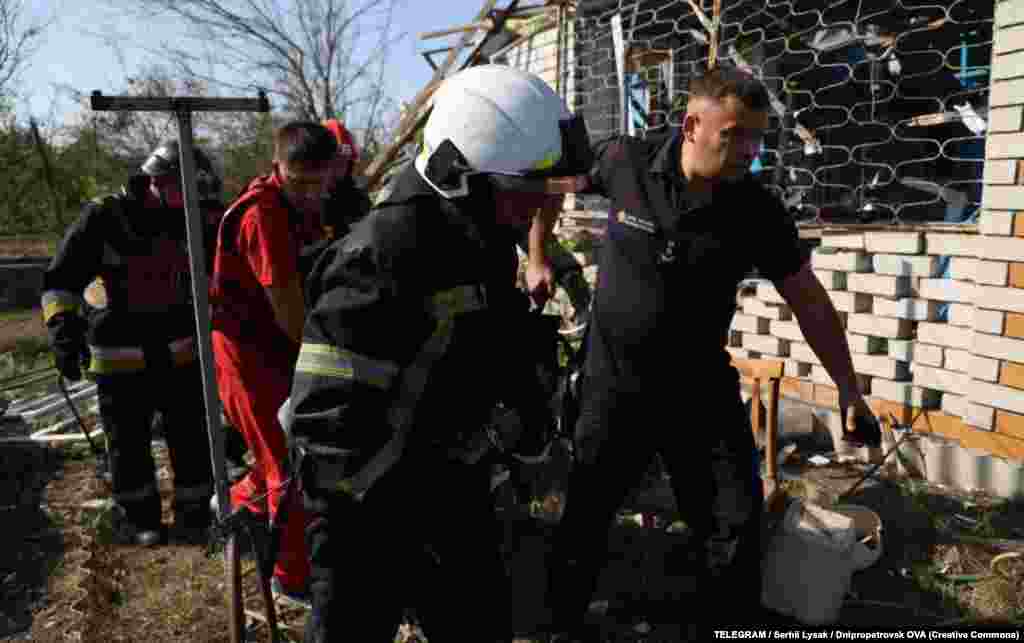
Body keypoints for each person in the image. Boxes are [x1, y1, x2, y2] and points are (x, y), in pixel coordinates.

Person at [545, 65, 882, 640]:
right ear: (692, 125)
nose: (748, 152)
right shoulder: (626, 162)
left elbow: (811, 302)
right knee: (585, 517)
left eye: (756, 138)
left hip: (697, 391)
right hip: (613, 384)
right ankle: (560, 625)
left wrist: (849, 389)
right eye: (735, 136)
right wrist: (535, 255)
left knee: (735, 521)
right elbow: (548, 184)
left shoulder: (755, 209)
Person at [282, 64, 594, 642]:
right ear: (461, 175)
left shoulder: (478, 237)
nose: (533, 207)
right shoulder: (379, 256)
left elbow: (486, 340)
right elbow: (324, 420)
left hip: (449, 486)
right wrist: (397, 510)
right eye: (521, 190)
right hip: (365, 512)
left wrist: (523, 408)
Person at [40, 140, 219, 546]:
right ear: (156, 180)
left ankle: (194, 516)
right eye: (182, 189)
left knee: (192, 437)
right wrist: (64, 333)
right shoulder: (105, 217)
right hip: (120, 353)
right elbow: (60, 281)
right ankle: (142, 521)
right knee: (127, 443)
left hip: (181, 350)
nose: (189, 201)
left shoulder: (198, 219)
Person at [209, 121, 337, 604]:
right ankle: (292, 577)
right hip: (245, 352)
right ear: (276, 166)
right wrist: (324, 366)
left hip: (279, 343)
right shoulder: (262, 213)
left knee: (285, 453)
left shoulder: (315, 205)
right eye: (297, 180)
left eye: (317, 181)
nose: (309, 192)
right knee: (287, 462)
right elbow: (285, 301)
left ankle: (240, 503)